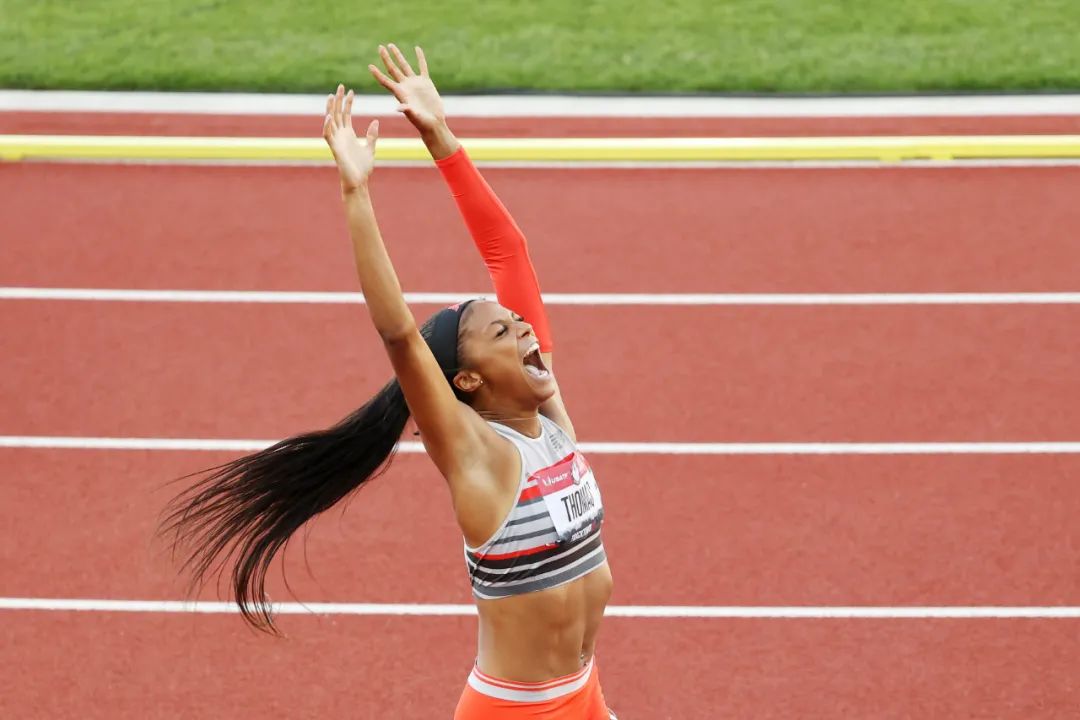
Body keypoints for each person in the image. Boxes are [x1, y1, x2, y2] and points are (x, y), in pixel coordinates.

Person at [161, 44, 616, 719]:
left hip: (585, 696)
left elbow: (508, 253)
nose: (525, 331)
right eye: (502, 332)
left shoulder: (553, 430)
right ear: (463, 380)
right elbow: (400, 334)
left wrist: (441, 138)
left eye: (519, 326)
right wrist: (356, 191)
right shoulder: (481, 461)